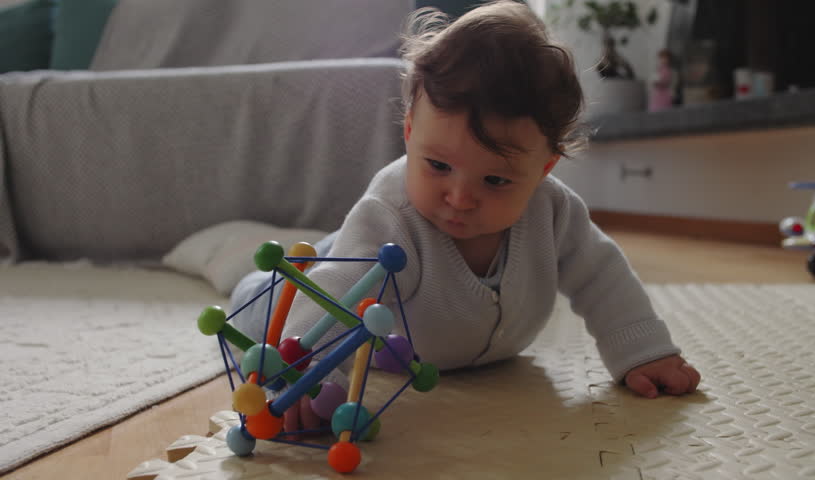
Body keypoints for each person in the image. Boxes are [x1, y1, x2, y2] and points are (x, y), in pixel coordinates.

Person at [232, 0, 700, 432]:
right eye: (438, 166)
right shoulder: (390, 214)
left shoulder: (553, 210)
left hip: (460, 344)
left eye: (495, 181)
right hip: (334, 279)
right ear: (410, 131)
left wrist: (642, 351)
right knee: (266, 304)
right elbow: (334, 296)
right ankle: (244, 273)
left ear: (544, 169)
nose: (459, 198)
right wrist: (304, 379)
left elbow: (602, 275)